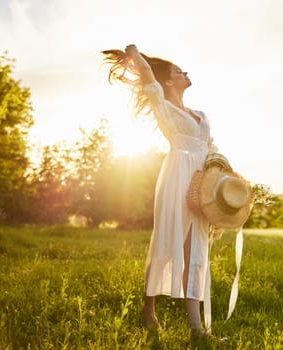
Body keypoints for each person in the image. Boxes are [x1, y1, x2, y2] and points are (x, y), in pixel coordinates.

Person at [102, 44, 218, 344]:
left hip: (201, 182)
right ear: (168, 81)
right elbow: (149, 83)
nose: (185, 73)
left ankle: (196, 329)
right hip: (176, 178)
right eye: (180, 71)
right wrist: (137, 56)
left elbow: (211, 149)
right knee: (167, 243)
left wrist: (219, 181)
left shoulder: (202, 115)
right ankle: (148, 306)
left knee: (196, 251)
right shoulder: (163, 106)